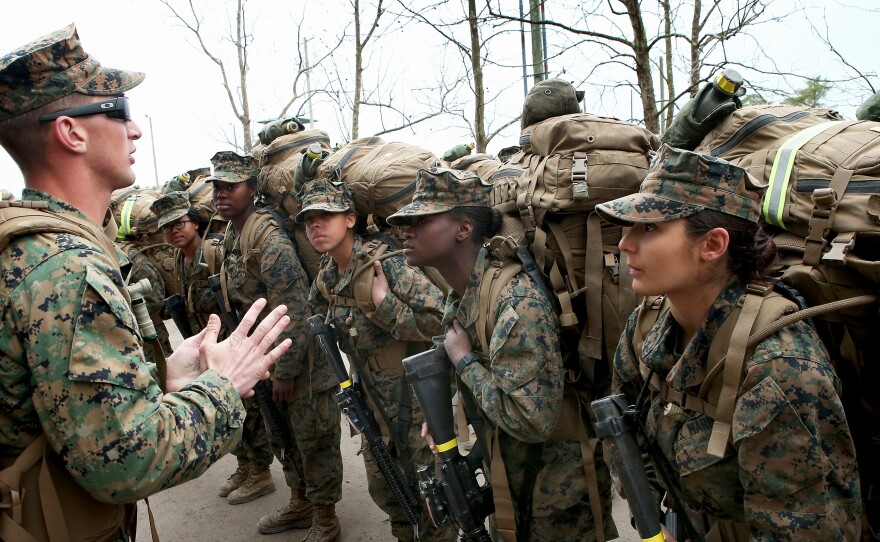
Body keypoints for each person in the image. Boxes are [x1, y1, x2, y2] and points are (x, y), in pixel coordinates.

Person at [0, 24, 292, 541]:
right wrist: (223, 388)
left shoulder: (30, 247)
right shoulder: (67, 269)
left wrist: (158, 380)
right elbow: (125, 463)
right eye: (119, 112)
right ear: (71, 132)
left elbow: (54, 410)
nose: (134, 131)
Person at [594, 145, 861, 540]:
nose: (624, 243)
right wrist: (649, 517)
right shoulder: (647, 323)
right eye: (629, 226)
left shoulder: (778, 368)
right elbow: (624, 438)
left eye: (648, 228)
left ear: (713, 245)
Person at [386, 167, 617, 542]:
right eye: (405, 223)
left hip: (556, 485)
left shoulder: (514, 301)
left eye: (421, 220)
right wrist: (454, 405)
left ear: (463, 229)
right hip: (514, 467)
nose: (406, 232)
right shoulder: (466, 289)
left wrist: (464, 362)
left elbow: (531, 419)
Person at [296, 179, 456, 542]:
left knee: (432, 495)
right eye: (308, 219)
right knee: (387, 488)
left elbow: (445, 321)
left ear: (351, 219)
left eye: (325, 216)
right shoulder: (327, 276)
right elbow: (317, 321)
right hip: (368, 398)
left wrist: (387, 307)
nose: (315, 225)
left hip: (415, 402)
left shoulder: (388, 266)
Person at [209, 151, 344, 541]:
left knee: (313, 438)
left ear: (251, 189)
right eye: (217, 187)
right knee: (283, 434)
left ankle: (326, 516)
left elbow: (297, 306)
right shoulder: (235, 234)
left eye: (230, 187)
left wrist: (285, 373)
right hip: (269, 356)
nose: (221, 194)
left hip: (300, 359)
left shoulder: (268, 237)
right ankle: (300, 501)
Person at [150, 191, 218, 334]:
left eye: (180, 223)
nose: (174, 231)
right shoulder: (179, 257)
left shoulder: (214, 252)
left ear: (195, 224)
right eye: (167, 227)